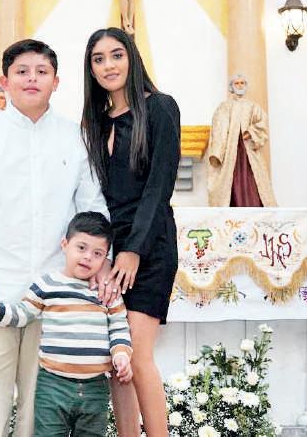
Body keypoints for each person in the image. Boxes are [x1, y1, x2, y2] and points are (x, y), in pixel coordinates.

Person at [0, 39, 110, 437]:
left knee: (42, 408)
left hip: (57, 292)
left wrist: (100, 264)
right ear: (4, 81)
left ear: (57, 82)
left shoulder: (76, 137)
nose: (32, 79)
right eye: (22, 71)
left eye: (42, 71)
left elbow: (92, 206)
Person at [81, 27, 181, 436]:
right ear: (90, 69)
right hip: (109, 252)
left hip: (150, 247)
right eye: (98, 59)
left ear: (132, 58)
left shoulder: (159, 108)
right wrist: (103, 256)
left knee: (137, 356)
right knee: (115, 361)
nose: (108, 65)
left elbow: (159, 187)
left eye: (116, 55)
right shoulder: (95, 122)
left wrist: (134, 250)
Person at [0, 211, 132, 437]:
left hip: (95, 388)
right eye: (81, 248)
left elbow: (119, 327)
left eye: (97, 253)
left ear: (105, 259)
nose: (88, 257)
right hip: (53, 386)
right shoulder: (47, 285)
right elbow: (22, 314)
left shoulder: (105, 292)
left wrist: (121, 355)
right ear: (65, 244)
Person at [207, 74, 277, 207]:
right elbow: (219, 128)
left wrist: (251, 132)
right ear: (231, 87)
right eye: (237, 83)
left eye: (242, 83)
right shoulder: (225, 107)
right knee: (229, 180)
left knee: (253, 178)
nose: (239, 86)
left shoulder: (252, 106)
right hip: (230, 152)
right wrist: (218, 152)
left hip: (248, 150)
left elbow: (262, 123)